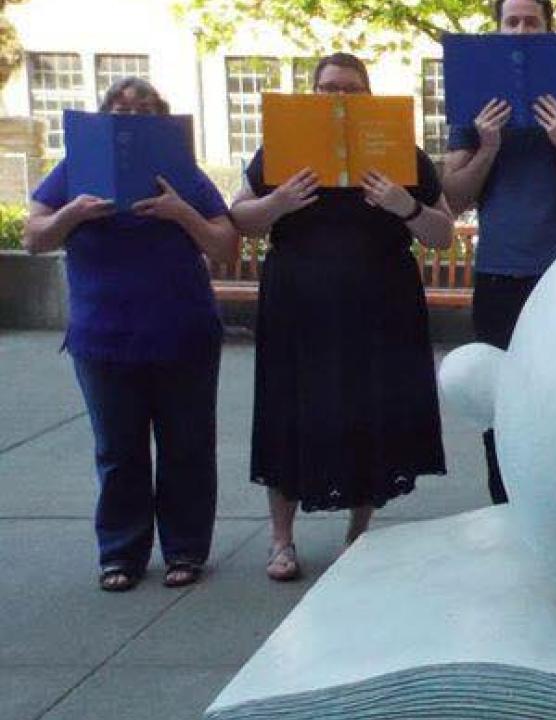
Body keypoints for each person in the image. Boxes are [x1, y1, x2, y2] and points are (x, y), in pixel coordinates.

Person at [231, 53, 456, 581]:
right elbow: (241, 218)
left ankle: (359, 531)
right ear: (313, 94)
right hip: (297, 307)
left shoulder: (399, 151)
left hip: (379, 309)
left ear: (367, 96)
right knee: (288, 413)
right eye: (329, 88)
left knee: (369, 414)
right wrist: (280, 201)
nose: (339, 98)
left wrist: (404, 205)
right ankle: (281, 540)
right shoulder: (282, 149)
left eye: (351, 89)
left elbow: (442, 234)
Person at [22, 78, 239, 591]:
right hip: (104, 337)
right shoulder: (76, 168)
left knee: (186, 448)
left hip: (182, 333)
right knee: (118, 451)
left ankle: (186, 549)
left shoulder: (181, 171)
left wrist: (180, 212)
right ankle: (121, 553)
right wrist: (74, 212)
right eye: (121, 109)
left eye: (145, 108)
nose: (133, 115)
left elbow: (225, 245)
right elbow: (34, 238)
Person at [443, 0, 556, 505]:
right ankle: (504, 507)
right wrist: (487, 146)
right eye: (511, 21)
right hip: (498, 274)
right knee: (500, 402)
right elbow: (454, 197)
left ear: (548, 28)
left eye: (531, 21)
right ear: (498, 28)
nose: (521, 29)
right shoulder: (474, 101)